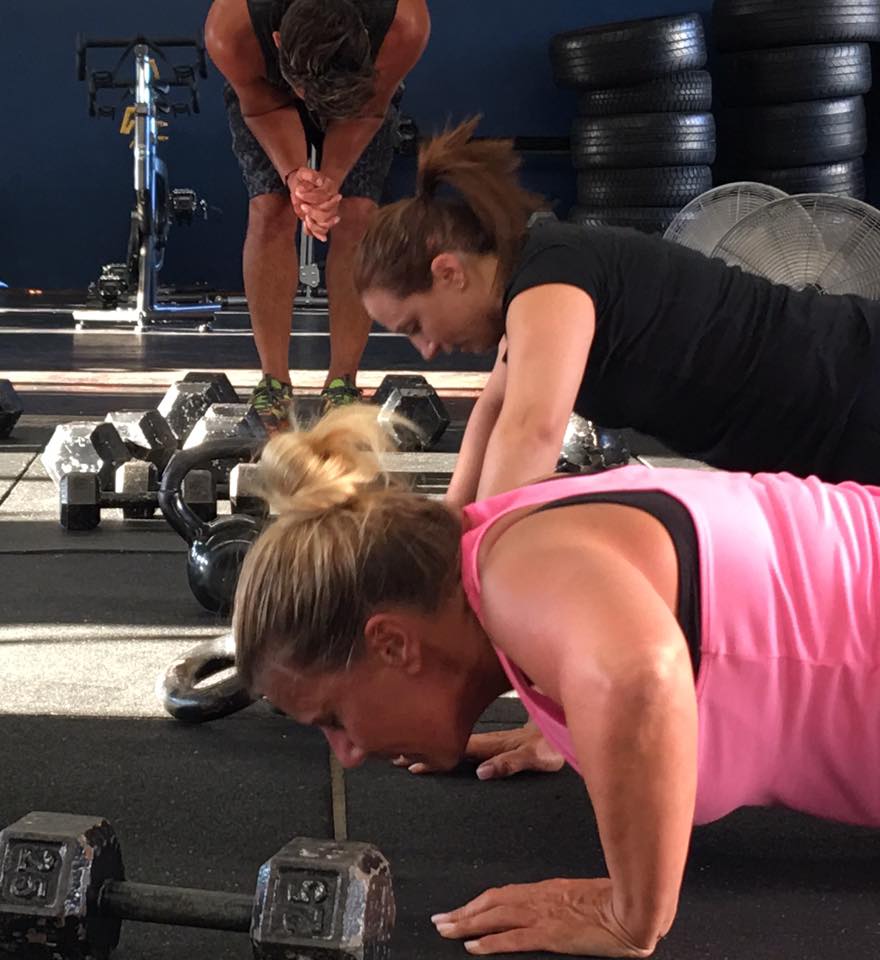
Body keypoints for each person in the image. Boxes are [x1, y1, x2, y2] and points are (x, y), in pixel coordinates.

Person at [233, 405, 880, 958]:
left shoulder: (519, 575)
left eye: (334, 718)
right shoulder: (500, 548)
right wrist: (569, 720)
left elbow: (638, 674)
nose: (346, 753)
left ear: (393, 643)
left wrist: (628, 916)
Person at [352, 119, 880, 503]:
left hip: (852, 394)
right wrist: (451, 525)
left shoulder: (549, 276)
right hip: (817, 435)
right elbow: (494, 413)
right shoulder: (528, 285)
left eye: (416, 326)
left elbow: (532, 431)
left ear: (449, 272)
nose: (428, 349)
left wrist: (468, 563)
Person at [205, 0, 430, 428]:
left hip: (361, 96)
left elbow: (368, 109)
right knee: (270, 209)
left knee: (357, 214)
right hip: (267, 91)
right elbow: (263, 108)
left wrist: (327, 184)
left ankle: (342, 382)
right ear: (277, 41)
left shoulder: (404, 23)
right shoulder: (232, 29)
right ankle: (274, 381)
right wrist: (295, 177)